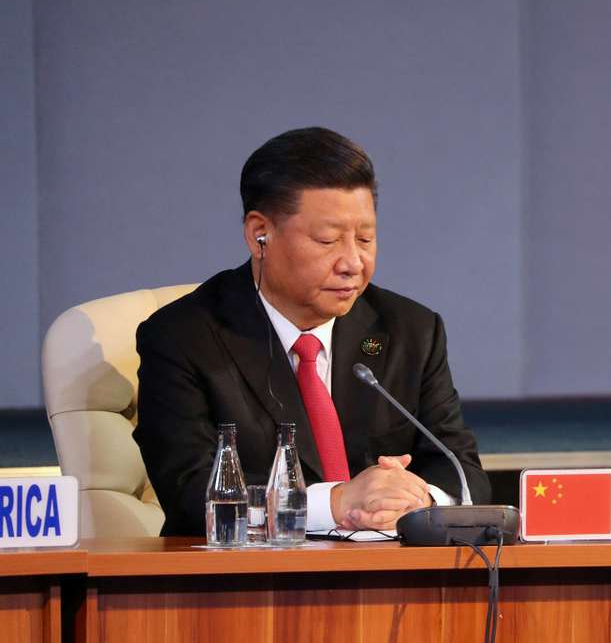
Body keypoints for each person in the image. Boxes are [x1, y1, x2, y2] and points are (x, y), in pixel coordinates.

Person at [134, 127, 490, 536]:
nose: (353, 263)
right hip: (247, 587)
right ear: (259, 234)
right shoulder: (183, 338)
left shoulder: (410, 330)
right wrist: (337, 503)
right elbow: (191, 495)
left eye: (365, 238)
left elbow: (462, 472)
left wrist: (418, 501)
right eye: (327, 241)